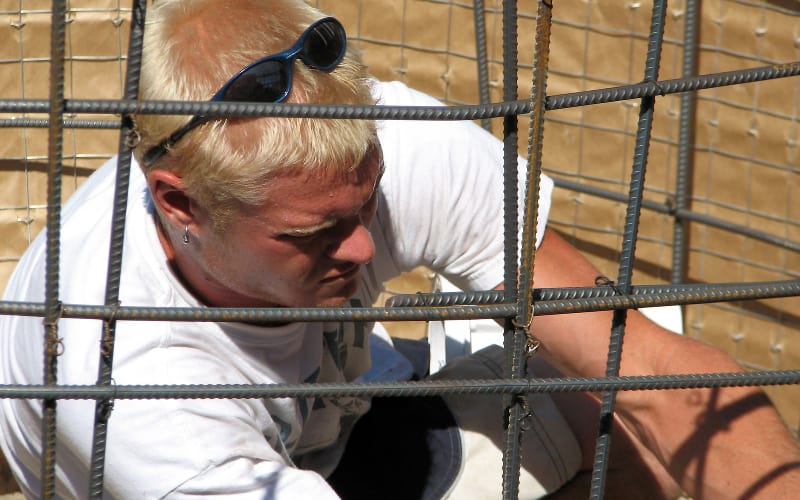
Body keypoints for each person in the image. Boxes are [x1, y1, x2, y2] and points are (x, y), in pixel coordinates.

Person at [0, 0, 798, 498]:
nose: (360, 245)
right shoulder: (131, 387)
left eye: (368, 199)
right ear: (182, 204)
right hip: (193, 475)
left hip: (348, 419)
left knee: (628, 402)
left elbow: (662, 378)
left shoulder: (396, 140)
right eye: (310, 237)